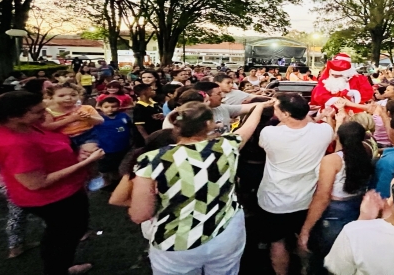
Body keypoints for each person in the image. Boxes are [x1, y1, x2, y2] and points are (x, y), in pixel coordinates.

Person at [129, 100, 270, 275]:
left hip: (175, 242)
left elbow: (139, 215)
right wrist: (259, 107)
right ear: (208, 124)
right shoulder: (227, 146)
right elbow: (250, 125)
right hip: (226, 234)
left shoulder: (151, 159)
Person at [0, 91, 105, 275]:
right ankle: (57, 269)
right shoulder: (15, 143)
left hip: (67, 189)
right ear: (14, 116)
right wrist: (85, 163)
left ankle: (59, 266)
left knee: (61, 233)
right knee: (63, 236)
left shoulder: (29, 125)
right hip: (52, 198)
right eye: (37, 111)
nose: (45, 112)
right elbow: (36, 183)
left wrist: (77, 153)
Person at [256, 93, 334, 275]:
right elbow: (325, 130)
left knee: (277, 242)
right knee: (304, 238)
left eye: (276, 108)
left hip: (275, 201)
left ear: (285, 114)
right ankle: (305, 268)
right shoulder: (323, 131)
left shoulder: (269, 133)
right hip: (307, 200)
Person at [298, 121, 374, 275]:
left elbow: (322, 197)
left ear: (338, 137)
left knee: (327, 256)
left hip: (335, 213)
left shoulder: (331, 160)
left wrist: (305, 229)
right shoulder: (366, 150)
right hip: (357, 205)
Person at [93, 97, 132, 186]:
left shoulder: (123, 116)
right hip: (105, 149)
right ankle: (106, 182)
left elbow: (130, 128)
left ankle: (116, 181)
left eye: (113, 106)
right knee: (105, 168)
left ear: (119, 107)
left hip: (122, 148)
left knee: (118, 165)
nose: (110, 109)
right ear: (100, 107)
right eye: (106, 107)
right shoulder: (98, 119)